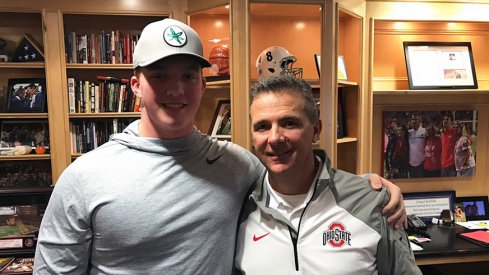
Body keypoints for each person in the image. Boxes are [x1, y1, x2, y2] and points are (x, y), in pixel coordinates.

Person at [34, 19, 406, 274]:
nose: (175, 89)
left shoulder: (237, 164)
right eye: (159, 76)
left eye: (188, 76)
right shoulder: (84, 177)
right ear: (135, 85)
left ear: (202, 86)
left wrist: (369, 188)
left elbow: (297, 180)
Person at [234, 76, 421, 274]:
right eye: (262, 127)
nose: (274, 138)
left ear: (316, 130)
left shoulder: (371, 202)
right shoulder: (238, 206)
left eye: (289, 123)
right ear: (253, 137)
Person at [408, 113, 426, 178]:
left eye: (415, 119)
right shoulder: (409, 132)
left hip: (421, 164)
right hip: (410, 164)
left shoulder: (424, 131)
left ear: (420, 120)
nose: (413, 121)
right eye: (412, 119)